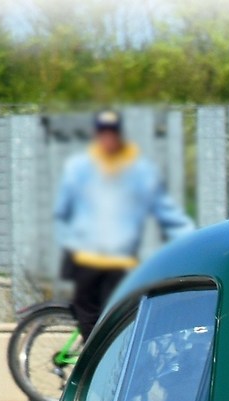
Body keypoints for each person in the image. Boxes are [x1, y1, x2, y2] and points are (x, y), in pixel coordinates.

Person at [55, 110, 194, 333]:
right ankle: (91, 365)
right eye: (103, 133)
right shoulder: (79, 167)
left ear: (119, 135)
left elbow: (167, 212)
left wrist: (191, 241)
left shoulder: (141, 171)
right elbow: (63, 211)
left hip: (118, 261)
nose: (107, 139)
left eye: (112, 133)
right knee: (89, 319)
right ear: (96, 134)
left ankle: (106, 362)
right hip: (84, 258)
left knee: (116, 320)